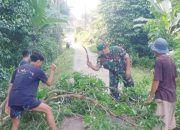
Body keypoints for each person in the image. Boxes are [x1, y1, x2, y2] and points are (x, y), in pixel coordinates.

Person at [7, 52, 57, 130]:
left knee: (15, 125)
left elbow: (11, 86)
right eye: (41, 63)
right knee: (48, 110)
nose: (40, 65)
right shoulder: (37, 70)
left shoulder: (19, 68)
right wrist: (53, 70)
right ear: (38, 61)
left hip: (13, 100)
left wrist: (8, 103)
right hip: (27, 100)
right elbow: (49, 83)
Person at [146, 38, 178, 130]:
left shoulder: (159, 61)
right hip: (172, 97)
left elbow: (156, 81)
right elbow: (175, 79)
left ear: (156, 50)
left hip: (162, 97)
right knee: (169, 124)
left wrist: (150, 97)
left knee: (159, 125)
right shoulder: (171, 61)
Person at [5, 49, 30, 114]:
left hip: (14, 85)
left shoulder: (20, 63)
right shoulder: (25, 64)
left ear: (22, 55)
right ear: (28, 55)